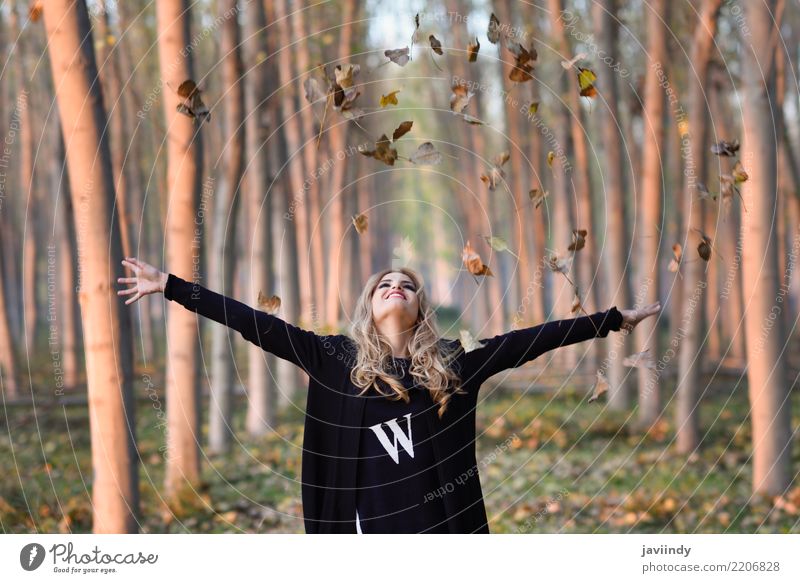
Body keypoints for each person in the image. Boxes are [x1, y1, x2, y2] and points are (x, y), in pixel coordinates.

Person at [117, 256, 660, 533]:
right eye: (383, 284)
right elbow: (254, 323)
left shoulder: (453, 363)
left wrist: (612, 321)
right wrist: (170, 285)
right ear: (370, 304)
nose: (394, 287)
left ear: (421, 305)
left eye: (406, 283)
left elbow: (530, 341)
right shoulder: (333, 360)